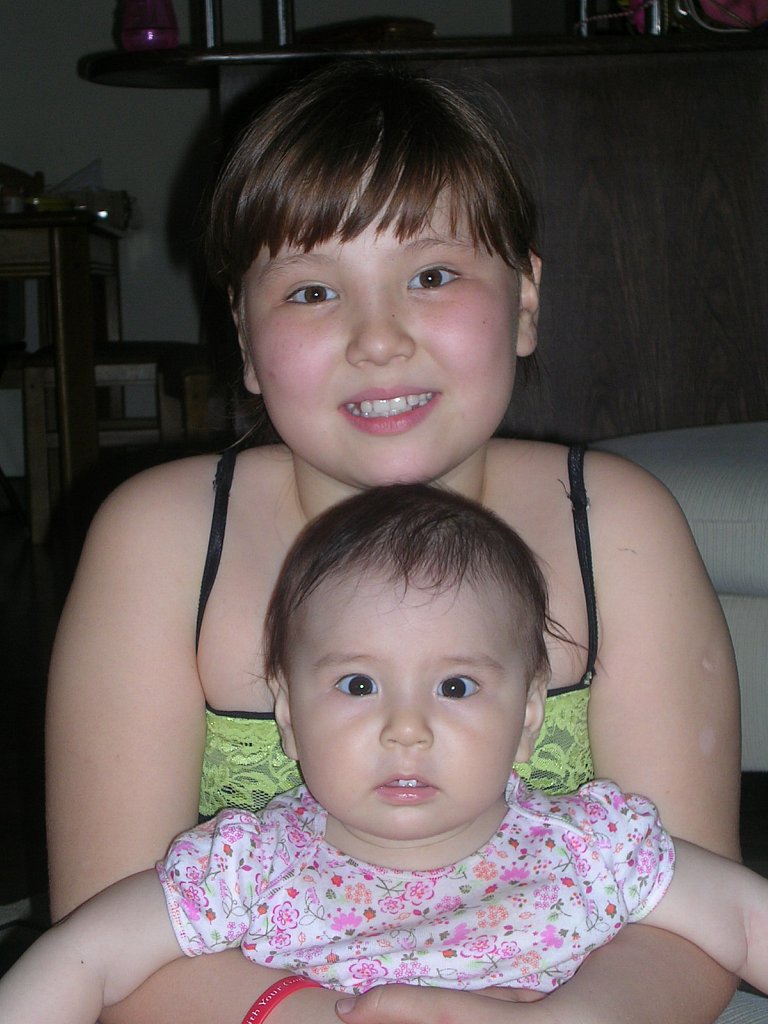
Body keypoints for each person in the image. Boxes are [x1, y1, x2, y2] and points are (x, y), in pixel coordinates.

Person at [43, 59, 758, 1024]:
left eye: (431, 276)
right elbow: (102, 941)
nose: (378, 339)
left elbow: (695, 918)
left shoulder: (618, 527)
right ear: (245, 340)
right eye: (311, 291)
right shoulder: (160, 542)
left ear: (526, 300)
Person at [5, 484, 768, 1023]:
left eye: (457, 686)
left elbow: (742, 917)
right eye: (359, 684)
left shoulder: (591, 847)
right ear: (289, 714)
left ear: (529, 715)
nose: (408, 729)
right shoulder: (246, 868)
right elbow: (85, 958)